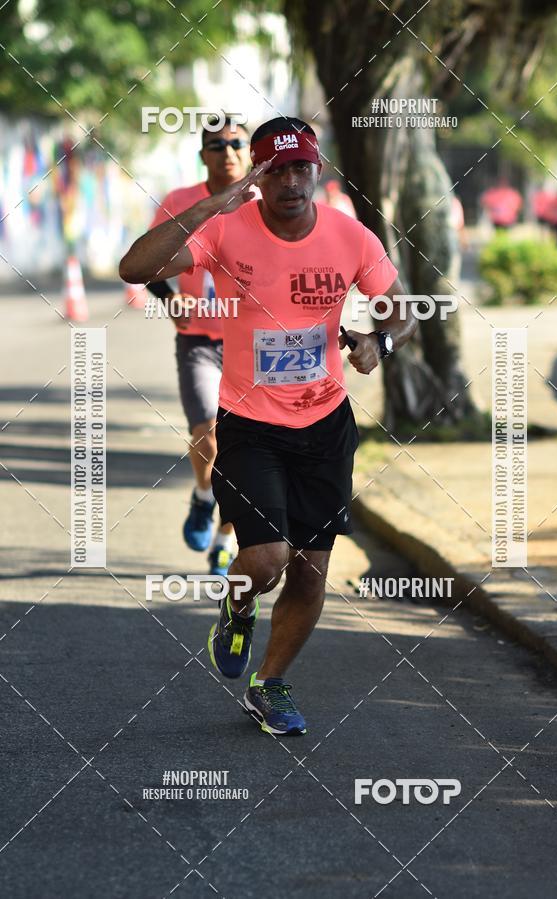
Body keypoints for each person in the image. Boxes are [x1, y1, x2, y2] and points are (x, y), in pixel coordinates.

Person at [120, 117, 417, 736]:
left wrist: (377, 344)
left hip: (326, 424)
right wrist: (214, 204)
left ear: (318, 171)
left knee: (311, 569)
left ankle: (269, 683)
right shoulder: (227, 230)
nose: (290, 181)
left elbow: (401, 311)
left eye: (300, 167)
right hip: (251, 424)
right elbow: (135, 267)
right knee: (269, 556)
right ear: (258, 176)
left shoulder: (350, 237)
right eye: (275, 169)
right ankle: (236, 603)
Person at [148, 118, 252, 576]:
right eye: (216, 145)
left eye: (236, 144)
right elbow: (148, 260)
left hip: (252, 345)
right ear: (203, 155)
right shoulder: (180, 202)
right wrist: (169, 298)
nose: (227, 152)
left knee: (244, 447)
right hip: (199, 341)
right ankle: (204, 493)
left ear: (249, 152)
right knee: (207, 431)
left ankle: (226, 539)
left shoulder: (266, 202)